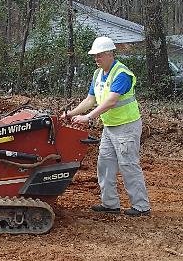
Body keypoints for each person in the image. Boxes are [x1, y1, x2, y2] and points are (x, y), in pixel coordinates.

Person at [61, 36, 151, 217]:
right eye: (95, 56)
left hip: (126, 126)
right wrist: (70, 114)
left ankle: (141, 206)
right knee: (105, 164)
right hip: (110, 127)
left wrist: (88, 117)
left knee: (128, 165)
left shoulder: (121, 74)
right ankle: (110, 204)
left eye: (100, 55)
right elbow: (90, 100)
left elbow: (111, 101)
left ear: (110, 54)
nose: (96, 59)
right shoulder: (98, 74)